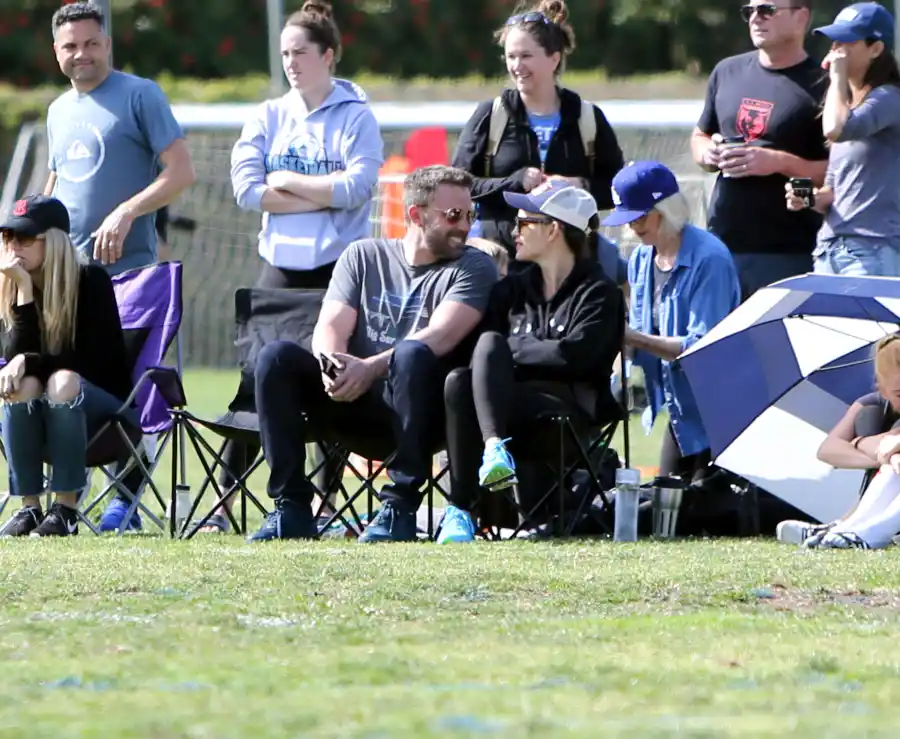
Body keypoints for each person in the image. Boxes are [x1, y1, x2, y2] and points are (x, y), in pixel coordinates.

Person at [246, 165, 498, 543]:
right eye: (453, 216)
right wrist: (332, 365)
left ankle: (400, 507)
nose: (465, 226)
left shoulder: (474, 265)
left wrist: (369, 367)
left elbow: (441, 336)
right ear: (416, 214)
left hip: (419, 413)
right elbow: (330, 325)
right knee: (275, 357)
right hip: (351, 400)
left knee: (411, 353)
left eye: (469, 215)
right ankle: (292, 508)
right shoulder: (363, 255)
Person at [211, 0, 386, 535]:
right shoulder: (267, 115)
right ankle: (223, 501)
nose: (291, 62)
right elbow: (245, 190)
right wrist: (320, 196)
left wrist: (283, 180)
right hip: (279, 269)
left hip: (338, 269)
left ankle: (328, 500)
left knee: (330, 374)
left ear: (328, 55)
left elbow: (358, 188)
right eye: (285, 53)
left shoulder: (355, 115)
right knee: (258, 377)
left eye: (301, 52)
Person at [44, 2, 195, 532]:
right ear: (57, 52)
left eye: (90, 43)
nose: (80, 54)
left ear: (106, 43)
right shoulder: (58, 110)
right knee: (65, 383)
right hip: (66, 280)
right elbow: (56, 184)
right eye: (69, 46)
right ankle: (63, 498)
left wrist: (128, 211)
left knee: (128, 387)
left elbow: (181, 173)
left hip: (127, 278)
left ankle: (125, 500)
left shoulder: (141, 95)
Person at [439, 183, 623, 543]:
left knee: (493, 347)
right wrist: (522, 352)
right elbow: (481, 352)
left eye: (524, 224)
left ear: (553, 229)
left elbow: (574, 357)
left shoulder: (599, 292)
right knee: (460, 381)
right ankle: (462, 509)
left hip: (565, 417)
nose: (513, 232)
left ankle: (487, 462)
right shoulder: (512, 290)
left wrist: (510, 353)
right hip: (505, 410)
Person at [0, 196, 135, 538]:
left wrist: (28, 360)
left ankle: (66, 509)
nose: (14, 246)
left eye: (26, 238)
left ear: (55, 241)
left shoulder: (91, 281)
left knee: (61, 381)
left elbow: (88, 362)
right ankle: (30, 508)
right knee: (22, 386)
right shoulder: (15, 286)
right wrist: (25, 292)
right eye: (8, 237)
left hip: (104, 410)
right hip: (47, 408)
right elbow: (16, 360)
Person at [452, 0, 623, 260]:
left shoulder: (587, 117)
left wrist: (579, 185)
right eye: (511, 56)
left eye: (526, 56)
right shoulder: (491, 114)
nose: (516, 66)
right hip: (501, 260)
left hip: (570, 264)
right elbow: (459, 183)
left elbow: (616, 188)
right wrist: (516, 182)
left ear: (554, 59)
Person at [603, 161, 741, 483]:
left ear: (666, 208)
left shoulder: (710, 259)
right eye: (627, 218)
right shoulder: (640, 258)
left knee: (702, 509)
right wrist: (617, 360)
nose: (632, 228)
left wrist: (632, 337)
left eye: (639, 217)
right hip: (680, 409)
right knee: (667, 510)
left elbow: (702, 347)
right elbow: (637, 331)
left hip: (717, 408)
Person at [691, 0, 828, 299]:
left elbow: (841, 172)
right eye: (749, 11)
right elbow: (700, 134)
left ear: (800, 17)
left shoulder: (824, 81)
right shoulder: (727, 71)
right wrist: (707, 154)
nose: (755, 18)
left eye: (767, 10)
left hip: (790, 253)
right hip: (721, 244)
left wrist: (778, 162)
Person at [785, 3, 900, 277]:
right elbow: (833, 191)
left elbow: (835, 129)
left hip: (872, 251)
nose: (836, 47)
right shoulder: (846, 104)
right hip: (829, 250)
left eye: (848, 40)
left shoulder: (889, 99)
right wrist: (810, 199)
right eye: (834, 39)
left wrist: (836, 76)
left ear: (876, 49)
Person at [777, 335, 900, 549]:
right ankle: (847, 528)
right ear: (882, 388)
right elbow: (828, 450)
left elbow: (890, 441)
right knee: (888, 459)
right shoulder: (873, 405)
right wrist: (881, 455)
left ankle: (864, 531)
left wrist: (864, 444)